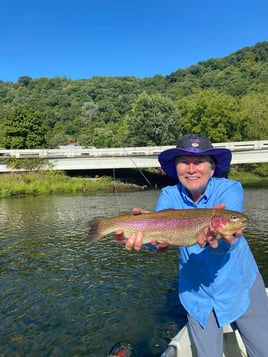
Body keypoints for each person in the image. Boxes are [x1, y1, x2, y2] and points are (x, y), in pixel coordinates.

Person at [116, 133, 268, 357]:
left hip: (240, 283)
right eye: (184, 162)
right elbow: (159, 236)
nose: (191, 168)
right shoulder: (169, 195)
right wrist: (147, 238)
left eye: (199, 162)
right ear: (176, 168)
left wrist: (224, 230)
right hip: (197, 294)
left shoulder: (230, 188)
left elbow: (235, 222)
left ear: (212, 168)